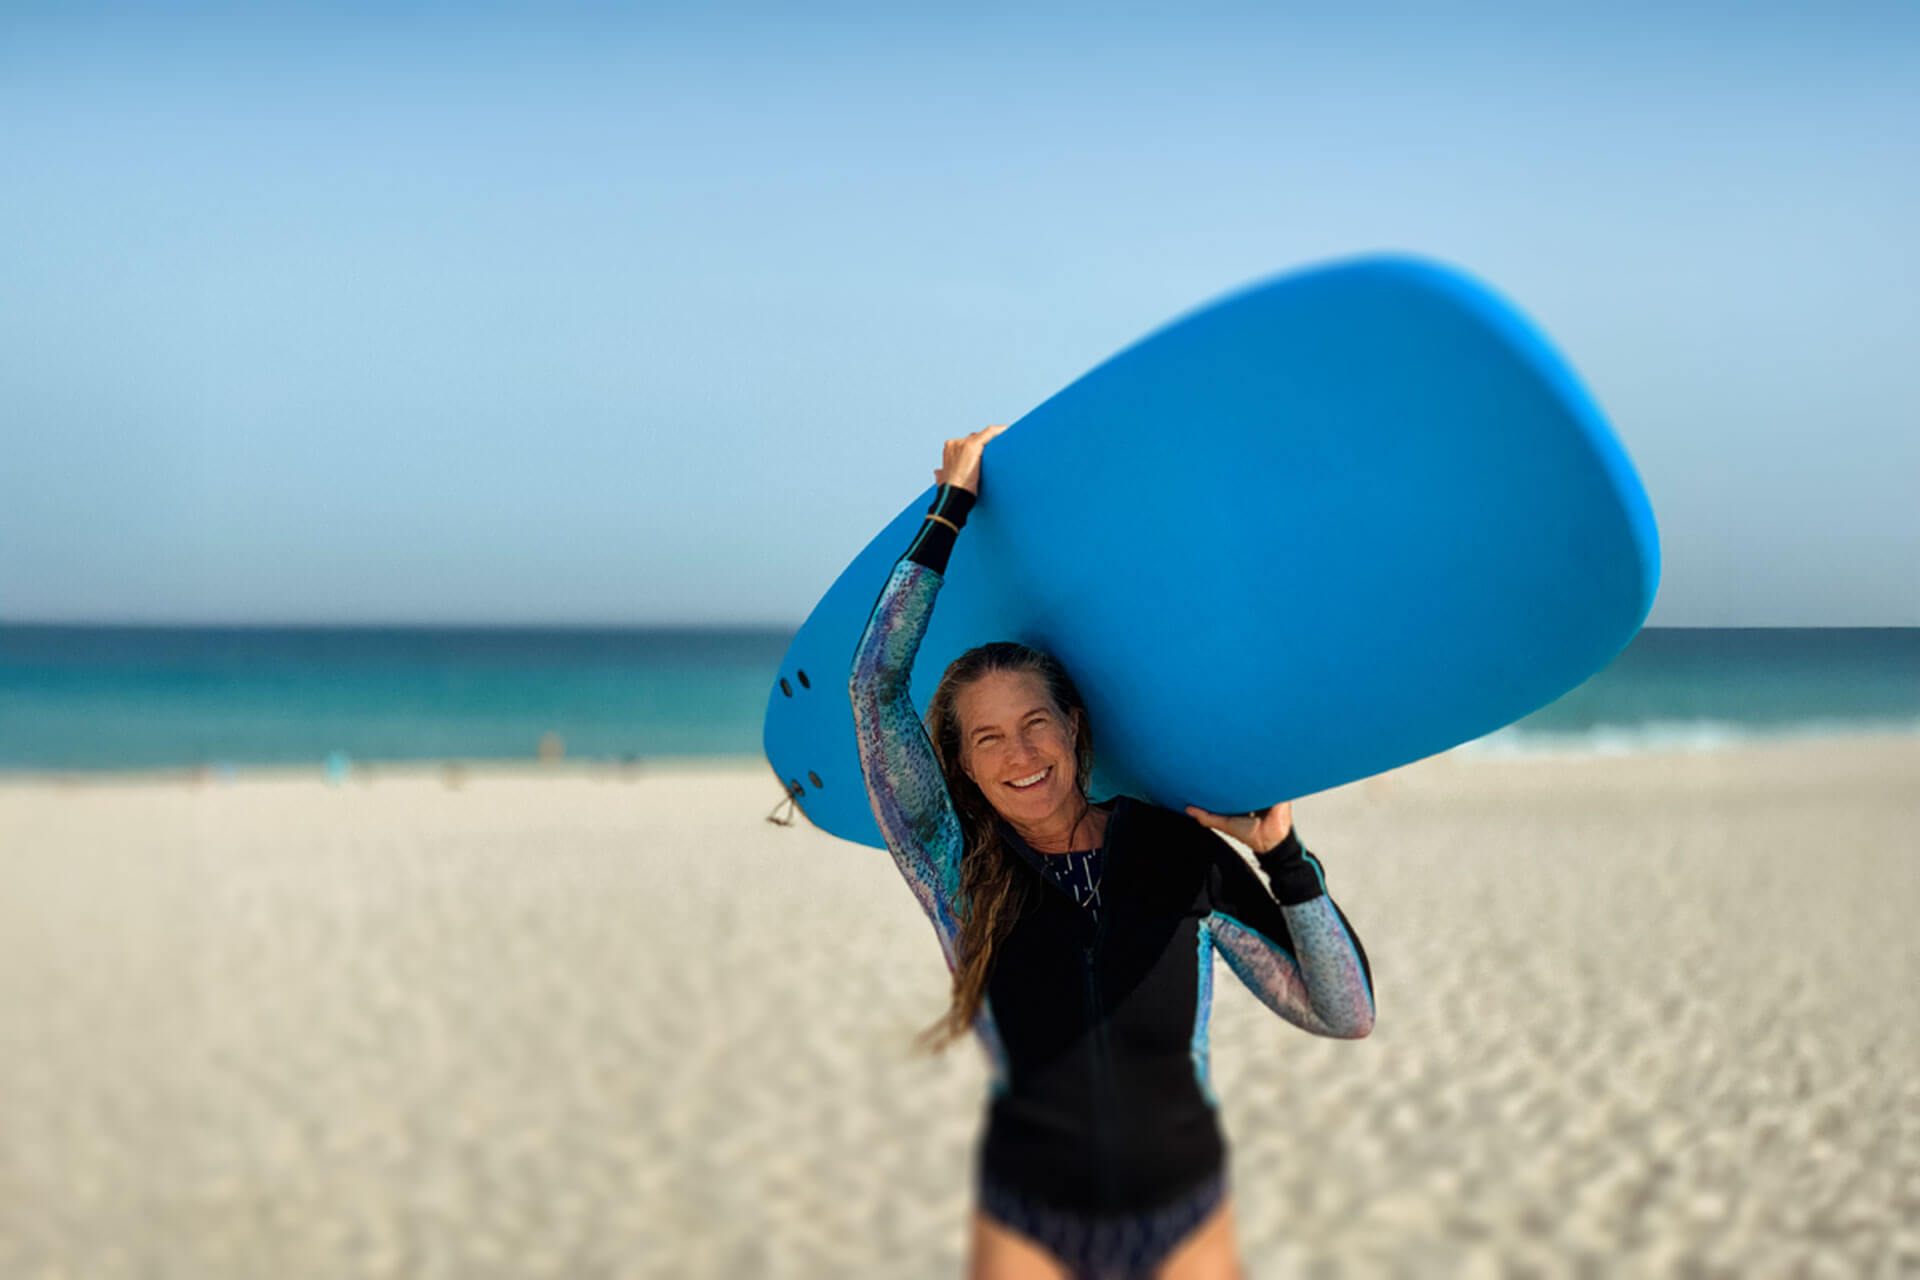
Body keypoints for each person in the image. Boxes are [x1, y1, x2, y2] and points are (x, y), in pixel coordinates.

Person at [849, 426, 1376, 1280]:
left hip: (1185, 1213)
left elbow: (1343, 1013)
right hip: (1030, 1219)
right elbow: (874, 687)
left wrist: (1283, 857)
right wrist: (952, 509)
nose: (1020, 757)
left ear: (1074, 727)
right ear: (963, 766)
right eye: (988, 741)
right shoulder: (953, 868)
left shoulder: (1177, 851)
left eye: (1035, 725)